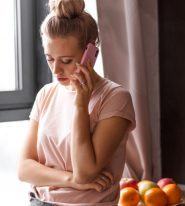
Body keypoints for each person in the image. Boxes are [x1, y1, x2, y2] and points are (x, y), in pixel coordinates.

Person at [17, 0, 136, 205]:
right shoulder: (46, 94)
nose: (55, 70)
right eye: (49, 59)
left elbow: (85, 172)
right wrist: (71, 180)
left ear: (91, 55)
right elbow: (24, 169)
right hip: (38, 201)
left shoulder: (116, 98)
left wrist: (81, 103)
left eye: (66, 61)